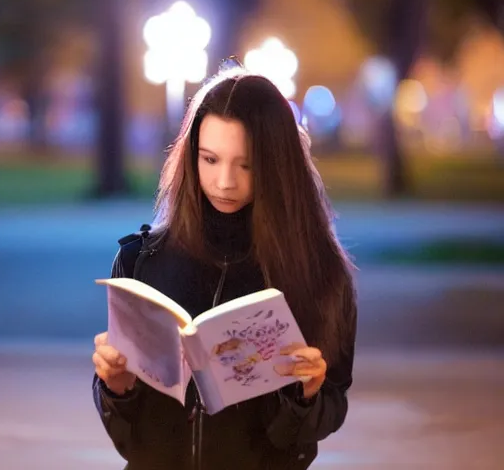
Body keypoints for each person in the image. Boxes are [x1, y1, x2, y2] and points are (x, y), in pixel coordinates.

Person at [92, 63, 357, 470]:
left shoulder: (320, 274)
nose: (224, 182)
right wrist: (116, 389)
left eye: (246, 164)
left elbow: (328, 410)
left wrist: (306, 396)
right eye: (210, 159)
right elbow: (129, 440)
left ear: (277, 164)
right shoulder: (141, 261)